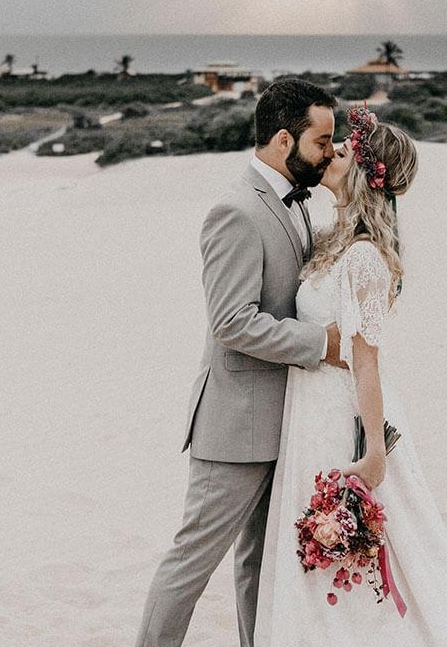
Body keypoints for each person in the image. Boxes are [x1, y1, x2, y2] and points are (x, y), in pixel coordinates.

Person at [253, 107, 447, 646]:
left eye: (343, 152)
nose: (332, 154)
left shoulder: (363, 258)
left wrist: (376, 454)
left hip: (339, 415)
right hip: (307, 409)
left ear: (363, 172)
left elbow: (366, 360)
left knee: (361, 550)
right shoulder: (333, 239)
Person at [134, 78, 347, 647]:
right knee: (190, 566)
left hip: (286, 421)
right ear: (284, 140)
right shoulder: (234, 211)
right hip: (235, 423)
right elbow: (231, 322)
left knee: (260, 564)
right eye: (322, 142)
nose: (330, 152)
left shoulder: (297, 203)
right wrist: (319, 344)